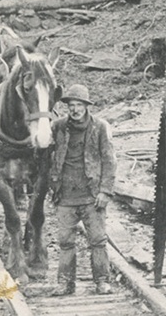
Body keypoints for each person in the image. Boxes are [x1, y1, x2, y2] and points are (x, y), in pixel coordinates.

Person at [50, 84, 117, 296]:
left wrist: (105, 191)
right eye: (71, 105)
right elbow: (46, 155)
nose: (75, 109)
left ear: (86, 106)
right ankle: (65, 283)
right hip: (65, 195)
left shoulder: (99, 127)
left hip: (92, 195)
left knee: (97, 240)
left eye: (79, 105)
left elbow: (109, 161)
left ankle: (102, 281)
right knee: (65, 241)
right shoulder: (58, 127)